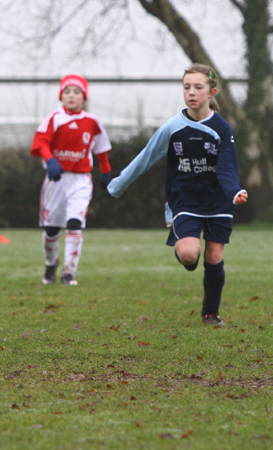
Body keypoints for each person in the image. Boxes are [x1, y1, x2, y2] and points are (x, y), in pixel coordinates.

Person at [108, 63, 248, 326]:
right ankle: (187, 255)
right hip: (185, 200)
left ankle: (210, 313)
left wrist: (236, 191)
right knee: (188, 255)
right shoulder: (173, 127)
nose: (191, 93)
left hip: (218, 200)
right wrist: (118, 184)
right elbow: (145, 158)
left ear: (212, 92)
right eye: (187, 87)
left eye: (198, 87)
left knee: (215, 256)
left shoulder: (222, 128)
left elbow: (228, 169)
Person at [31, 74, 112, 286]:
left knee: (75, 223)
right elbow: (40, 143)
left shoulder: (92, 121)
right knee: (51, 229)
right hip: (56, 181)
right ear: (61, 96)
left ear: (84, 98)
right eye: (67, 92)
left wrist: (106, 172)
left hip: (80, 180)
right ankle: (51, 264)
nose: (71, 96)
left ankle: (69, 272)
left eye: (76, 92)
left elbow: (101, 149)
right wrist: (50, 160)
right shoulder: (54, 118)